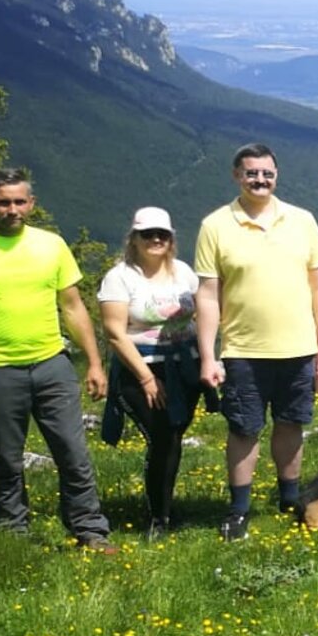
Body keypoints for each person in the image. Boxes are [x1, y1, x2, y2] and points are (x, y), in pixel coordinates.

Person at [0, 169, 116, 552]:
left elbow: (73, 306)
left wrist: (96, 363)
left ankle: (90, 531)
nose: (12, 209)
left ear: (31, 204)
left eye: (19, 201)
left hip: (53, 364)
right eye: (3, 202)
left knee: (73, 454)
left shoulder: (51, 245)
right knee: (6, 459)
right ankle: (12, 536)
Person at [194, 143, 318, 542]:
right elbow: (207, 294)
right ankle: (239, 508)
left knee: (292, 423)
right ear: (236, 176)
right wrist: (208, 355)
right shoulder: (216, 225)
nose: (260, 180)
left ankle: (289, 497)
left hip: (299, 347)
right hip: (243, 350)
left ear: (277, 176)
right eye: (251, 173)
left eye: (267, 173)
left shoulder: (302, 220)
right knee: (244, 429)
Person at [99, 206, 202, 541]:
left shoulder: (184, 272)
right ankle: (159, 515)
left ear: (171, 239)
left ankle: (164, 505)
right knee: (163, 435)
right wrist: (146, 378)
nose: (156, 239)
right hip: (140, 366)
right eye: (148, 234)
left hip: (184, 364)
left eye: (162, 234)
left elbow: (203, 312)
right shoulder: (120, 277)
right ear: (135, 238)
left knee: (173, 435)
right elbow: (115, 332)